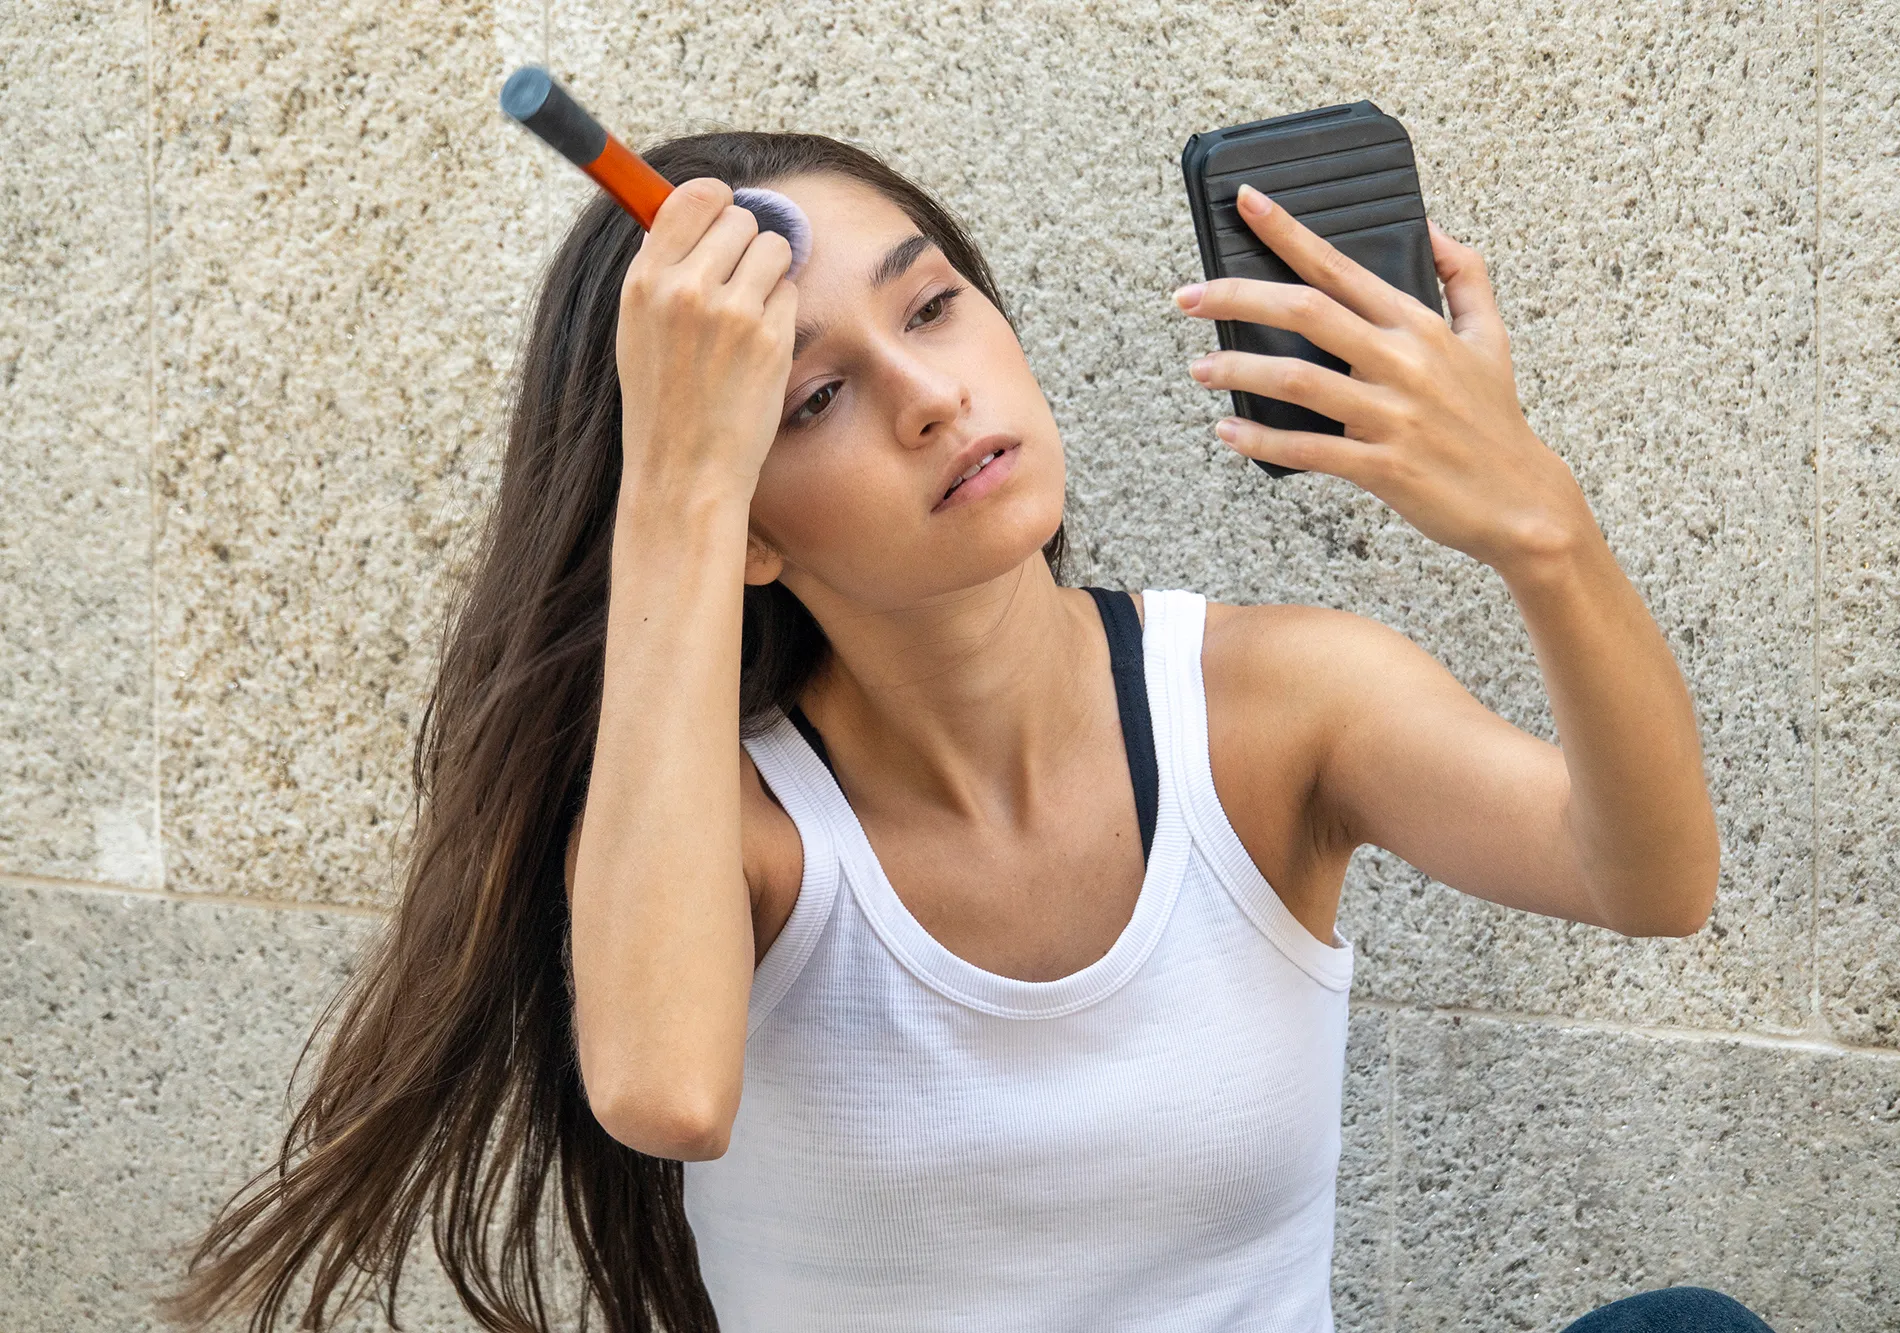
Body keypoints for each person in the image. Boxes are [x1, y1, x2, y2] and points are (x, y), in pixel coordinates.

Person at [158, 130, 1760, 1333]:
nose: (928, 393)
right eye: (809, 400)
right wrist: (675, 489)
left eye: (932, 308)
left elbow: (1651, 881)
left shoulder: (1274, 708)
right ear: (746, 523)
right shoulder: (741, 828)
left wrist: (1541, 530)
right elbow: (661, 1092)